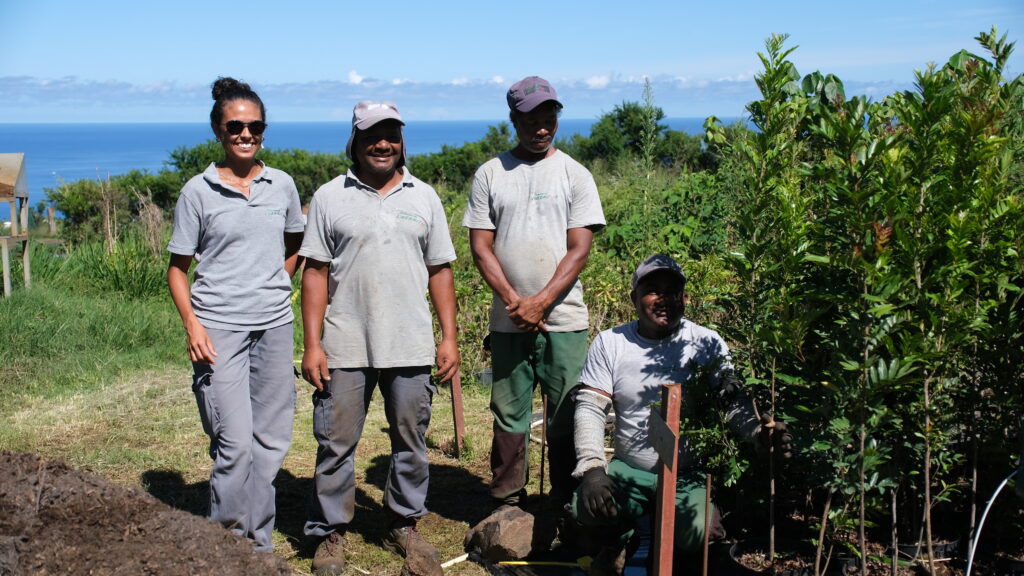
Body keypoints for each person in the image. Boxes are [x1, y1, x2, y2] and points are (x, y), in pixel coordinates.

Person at [300, 100, 458, 576]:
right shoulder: (330, 197)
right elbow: (315, 273)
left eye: (391, 134)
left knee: (411, 438)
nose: (383, 144)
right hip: (345, 342)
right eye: (372, 135)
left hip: (409, 343)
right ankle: (329, 532)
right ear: (354, 141)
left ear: (402, 141)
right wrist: (312, 343)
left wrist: (448, 337)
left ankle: (403, 522)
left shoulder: (424, 197)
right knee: (336, 440)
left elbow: (440, 270)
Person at [570, 254, 793, 575]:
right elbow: (591, 407)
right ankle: (621, 540)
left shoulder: (705, 342)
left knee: (697, 534)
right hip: (630, 470)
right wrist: (592, 468)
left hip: (687, 474)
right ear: (634, 298)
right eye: (653, 290)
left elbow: (732, 401)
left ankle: (670, 541)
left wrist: (759, 433)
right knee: (588, 508)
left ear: (685, 298)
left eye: (673, 291)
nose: (664, 299)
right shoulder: (611, 342)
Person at [166, 77, 304, 552]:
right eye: (235, 127)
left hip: (274, 326)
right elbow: (178, 270)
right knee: (234, 443)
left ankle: (258, 547)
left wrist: (278, 280)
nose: (246, 134)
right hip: (218, 328)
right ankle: (225, 546)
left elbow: (294, 244)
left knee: (270, 444)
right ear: (218, 131)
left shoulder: (281, 185)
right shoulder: (197, 191)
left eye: (255, 126)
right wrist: (192, 325)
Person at [463, 76, 606, 514]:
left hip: (564, 320)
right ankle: (507, 502)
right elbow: (480, 246)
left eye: (549, 119)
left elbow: (579, 248)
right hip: (509, 321)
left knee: (566, 410)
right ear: (514, 120)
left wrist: (540, 302)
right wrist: (515, 302)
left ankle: (566, 502)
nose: (541, 128)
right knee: (509, 411)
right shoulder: (491, 174)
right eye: (531, 120)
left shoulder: (574, 174)